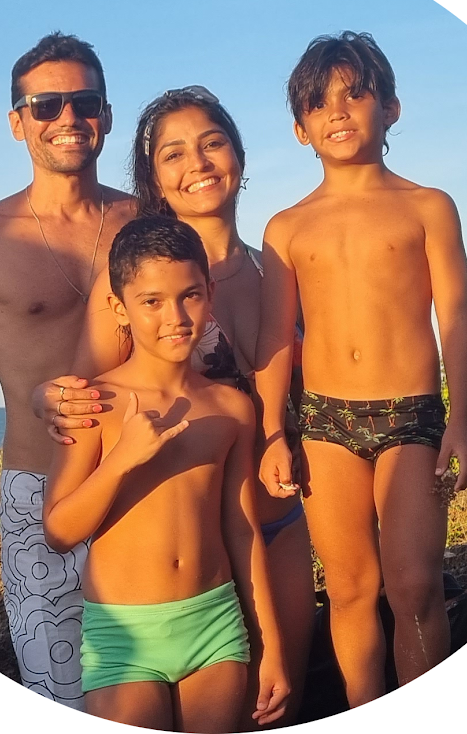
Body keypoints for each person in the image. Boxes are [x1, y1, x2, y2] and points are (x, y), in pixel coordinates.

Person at [35, 86, 316, 726]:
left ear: (239, 153)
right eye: (174, 153)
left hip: (271, 523)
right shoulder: (138, 273)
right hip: (144, 589)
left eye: (213, 142)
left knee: (282, 703)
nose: (198, 162)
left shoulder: (277, 270)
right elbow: (82, 394)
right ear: (153, 176)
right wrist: (41, 396)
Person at [255, 31, 467, 708]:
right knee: (350, 589)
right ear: (300, 130)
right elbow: (275, 338)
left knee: (415, 585)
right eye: (319, 103)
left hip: (412, 415)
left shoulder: (428, 206)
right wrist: (273, 433)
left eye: (355, 94)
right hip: (325, 421)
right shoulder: (286, 228)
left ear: (391, 108)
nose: (339, 111)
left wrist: (462, 422)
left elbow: (456, 316)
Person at [0, 32, 134, 709]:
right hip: (36, 491)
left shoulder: (145, 221)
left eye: (85, 102)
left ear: (106, 115)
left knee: (154, 685)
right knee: (58, 694)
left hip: (142, 481)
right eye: (45, 106)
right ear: (18, 122)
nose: (68, 118)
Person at [43, 216, 290, 731]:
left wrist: (270, 646)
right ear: (119, 307)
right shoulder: (94, 403)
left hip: (215, 625)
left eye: (190, 295)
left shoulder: (231, 407)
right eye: (151, 301)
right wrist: (122, 459)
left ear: (210, 292)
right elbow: (59, 532)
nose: (174, 316)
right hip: (124, 635)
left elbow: (242, 529)